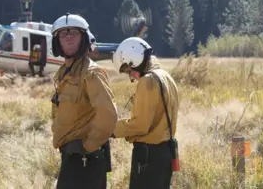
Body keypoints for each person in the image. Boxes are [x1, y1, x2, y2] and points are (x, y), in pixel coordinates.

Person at [50, 13, 118, 189]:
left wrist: (87, 146)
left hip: (86, 159)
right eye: (63, 34)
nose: (69, 36)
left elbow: (108, 114)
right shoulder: (64, 73)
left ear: (85, 38)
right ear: (57, 42)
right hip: (72, 157)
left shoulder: (91, 73)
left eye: (74, 32)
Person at [111, 37, 180, 189]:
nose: (132, 76)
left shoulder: (148, 80)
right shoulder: (166, 76)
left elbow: (140, 125)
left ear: (136, 59)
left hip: (149, 156)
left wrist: (111, 129)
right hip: (166, 152)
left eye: (130, 70)